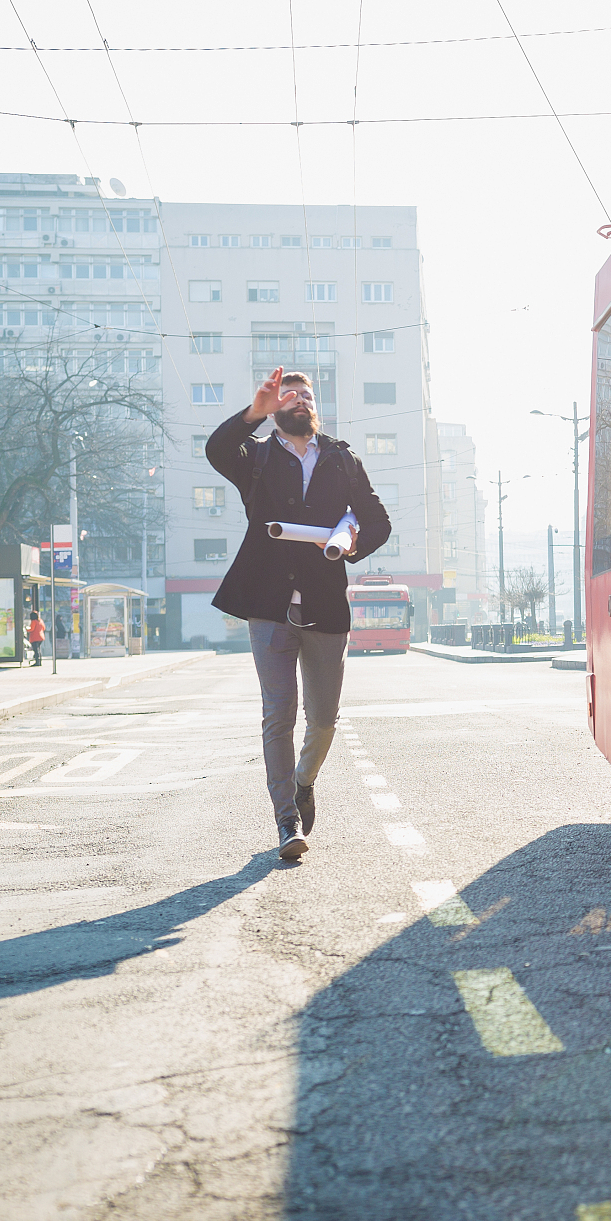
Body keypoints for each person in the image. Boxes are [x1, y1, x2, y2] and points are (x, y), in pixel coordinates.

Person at [207, 368, 392, 860]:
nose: (299, 400)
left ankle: (303, 780)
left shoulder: (342, 459)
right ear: (275, 408)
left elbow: (378, 522)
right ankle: (286, 820)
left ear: (316, 406)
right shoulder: (256, 457)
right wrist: (253, 412)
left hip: (325, 603)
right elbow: (217, 450)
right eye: (289, 395)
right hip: (267, 604)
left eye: (306, 394)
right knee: (278, 713)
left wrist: (352, 544)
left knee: (325, 718)